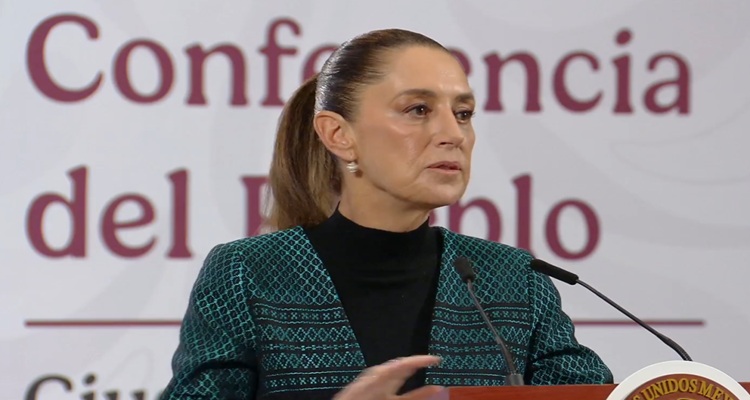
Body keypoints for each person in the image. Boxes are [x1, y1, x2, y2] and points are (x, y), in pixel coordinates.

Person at [160, 28, 613, 400]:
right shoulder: (247, 274)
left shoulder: (514, 281)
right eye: (418, 109)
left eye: (463, 113)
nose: (452, 133)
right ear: (339, 135)